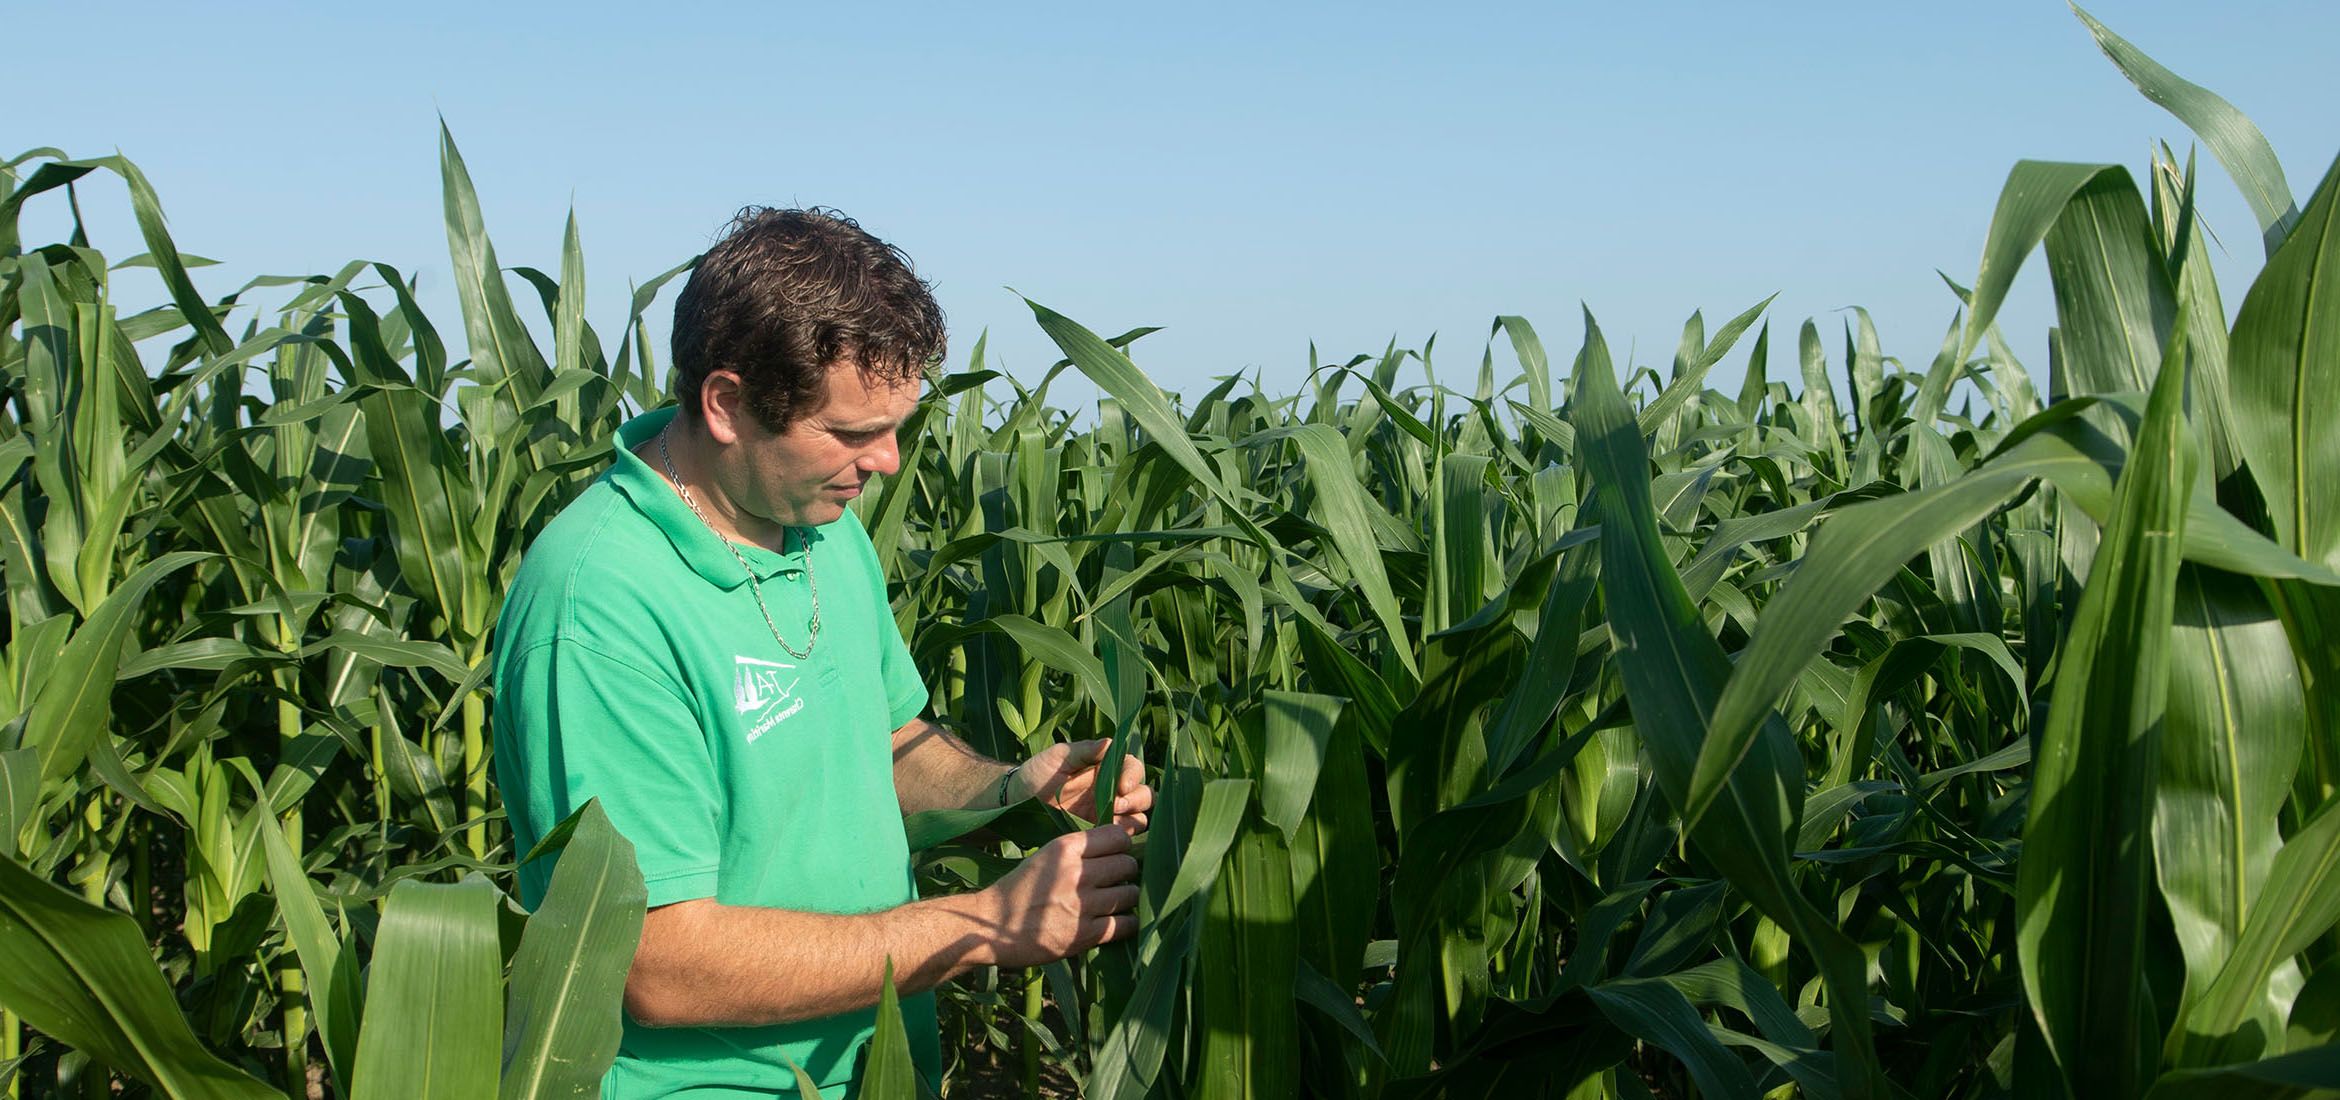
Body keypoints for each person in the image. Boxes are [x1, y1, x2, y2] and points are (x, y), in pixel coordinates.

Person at [491, 206, 1153, 1099]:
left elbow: (880, 746)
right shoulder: (601, 609)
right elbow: (655, 961)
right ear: (726, 404)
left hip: (873, 1064)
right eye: (849, 434)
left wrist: (1013, 789)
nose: (884, 463)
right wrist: (985, 925)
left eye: (895, 427)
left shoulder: (814, 522)